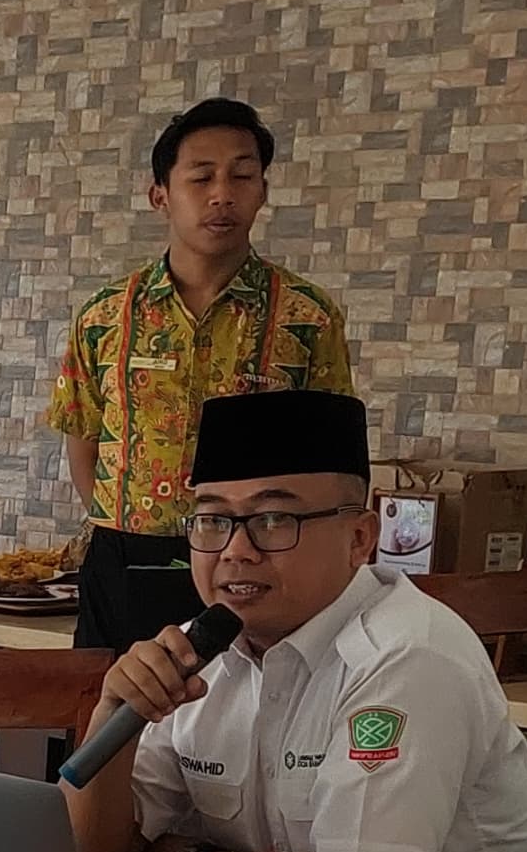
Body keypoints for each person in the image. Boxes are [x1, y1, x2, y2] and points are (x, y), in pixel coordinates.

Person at [63, 385, 527, 852]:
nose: (235, 551)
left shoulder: (409, 654)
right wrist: (116, 719)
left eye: (273, 521)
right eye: (212, 521)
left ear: (360, 538)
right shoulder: (207, 650)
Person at [50, 97, 356, 649]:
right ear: (159, 194)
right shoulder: (104, 316)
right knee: (116, 722)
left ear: (262, 191)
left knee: (243, 725)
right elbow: (83, 438)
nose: (223, 194)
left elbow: (333, 462)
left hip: (256, 559)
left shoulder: (307, 316)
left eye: (242, 175)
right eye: (201, 177)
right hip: (127, 561)